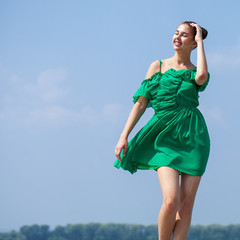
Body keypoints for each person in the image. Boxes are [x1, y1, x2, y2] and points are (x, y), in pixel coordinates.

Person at [114, 21, 210, 240]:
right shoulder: (157, 66)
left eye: (184, 35)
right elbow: (140, 103)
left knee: (185, 207)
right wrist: (124, 135)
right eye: (176, 33)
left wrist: (201, 43)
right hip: (162, 137)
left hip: (193, 138)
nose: (177, 37)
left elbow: (202, 77)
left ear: (193, 43)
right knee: (170, 201)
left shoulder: (195, 72)